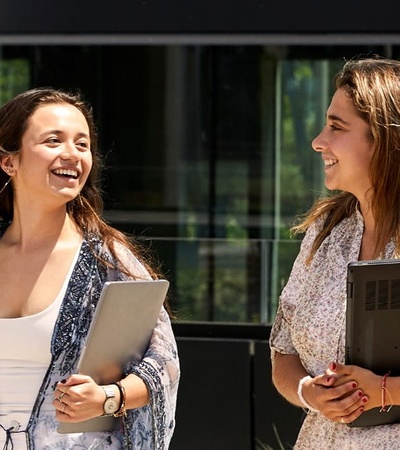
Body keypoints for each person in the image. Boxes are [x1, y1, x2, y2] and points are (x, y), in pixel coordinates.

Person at [0, 87, 180, 449]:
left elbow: (164, 365)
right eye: (54, 140)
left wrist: (108, 398)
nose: (72, 154)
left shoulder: (109, 259)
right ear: (10, 162)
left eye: (82, 145)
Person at [269, 55, 400, 449]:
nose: (318, 141)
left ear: (386, 139)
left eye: (336, 127)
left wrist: (385, 391)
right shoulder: (324, 235)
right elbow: (283, 352)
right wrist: (310, 392)